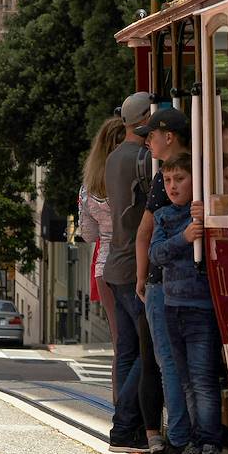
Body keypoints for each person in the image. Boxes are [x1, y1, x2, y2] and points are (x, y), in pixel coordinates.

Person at [149, 154, 225, 454]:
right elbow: (156, 253)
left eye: (179, 179)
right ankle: (196, 444)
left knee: (203, 380)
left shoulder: (204, 212)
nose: (172, 186)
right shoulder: (165, 216)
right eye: (167, 181)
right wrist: (184, 237)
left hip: (200, 308)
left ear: (195, 180)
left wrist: (199, 225)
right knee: (187, 382)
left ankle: (210, 448)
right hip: (172, 306)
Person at [133, 105, 193, 454]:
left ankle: (177, 439)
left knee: (166, 360)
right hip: (187, 282)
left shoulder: (164, 178)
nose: (148, 143)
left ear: (168, 136)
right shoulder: (192, 171)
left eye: (151, 136)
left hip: (161, 280)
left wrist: (141, 278)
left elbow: (145, 232)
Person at [102, 91, 157, 452]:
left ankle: (124, 425)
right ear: (145, 122)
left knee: (126, 350)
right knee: (147, 348)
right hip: (134, 264)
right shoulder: (143, 159)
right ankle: (125, 424)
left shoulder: (111, 158)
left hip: (114, 263)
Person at [78, 116, 128, 341]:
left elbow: (88, 235)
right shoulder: (131, 177)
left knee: (119, 343)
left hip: (104, 266)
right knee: (138, 342)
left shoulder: (88, 188)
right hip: (130, 262)